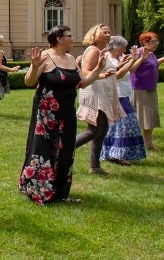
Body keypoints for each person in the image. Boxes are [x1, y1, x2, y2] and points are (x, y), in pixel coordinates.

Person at [18, 25, 106, 205]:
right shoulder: (45, 56)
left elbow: (81, 83)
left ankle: (60, 193)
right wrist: (34, 67)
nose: (72, 39)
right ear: (59, 38)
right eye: (69, 36)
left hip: (67, 112)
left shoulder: (71, 58)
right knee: (44, 149)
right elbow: (29, 81)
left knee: (66, 150)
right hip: (47, 113)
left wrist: (97, 70)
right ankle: (39, 190)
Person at [75, 24, 124, 175]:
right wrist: (103, 75)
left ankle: (95, 166)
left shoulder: (101, 51)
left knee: (102, 130)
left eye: (109, 32)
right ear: (95, 34)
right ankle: (62, 148)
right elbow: (86, 72)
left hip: (103, 93)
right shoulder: (93, 50)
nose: (108, 35)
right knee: (95, 130)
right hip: (95, 94)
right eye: (105, 32)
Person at [100, 36, 148, 165]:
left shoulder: (120, 58)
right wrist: (131, 60)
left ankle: (113, 153)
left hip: (124, 94)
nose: (125, 50)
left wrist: (139, 59)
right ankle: (117, 154)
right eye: (123, 47)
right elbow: (118, 75)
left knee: (119, 126)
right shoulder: (109, 60)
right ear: (116, 48)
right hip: (117, 95)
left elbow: (131, 70)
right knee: (125, 124)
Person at [131, 32, 164, 151]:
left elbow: (152, 64)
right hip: (141, 89)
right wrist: (141, 58)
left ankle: (148, 144)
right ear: (144, 42)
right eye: (153, 42)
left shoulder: (151, 54)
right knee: (144, 117)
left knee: (149, 117)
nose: (156, 44)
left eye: (156, 42)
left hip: (150, 88)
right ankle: (143, 144)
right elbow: (132, 69)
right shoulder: (139, 52)